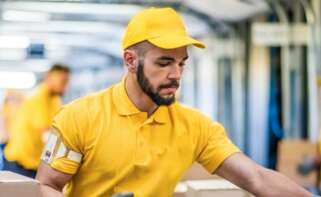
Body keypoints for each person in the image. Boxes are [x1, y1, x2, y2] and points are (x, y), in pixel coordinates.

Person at [36, 7, 311, 197]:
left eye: (181, 63)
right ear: (131, 61)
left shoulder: (196, 127)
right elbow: (46, 186)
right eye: (164, 63)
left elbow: (257, 179)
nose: (176, 75)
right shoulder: (79, 116)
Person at [3, 64, 70, 178]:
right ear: (49, 77)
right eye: (63, 81)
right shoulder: (39, 97)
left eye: (67, 82)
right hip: (19, 164)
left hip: (34, 163)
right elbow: (46, 134)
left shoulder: (54, 100)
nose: (65, 87)